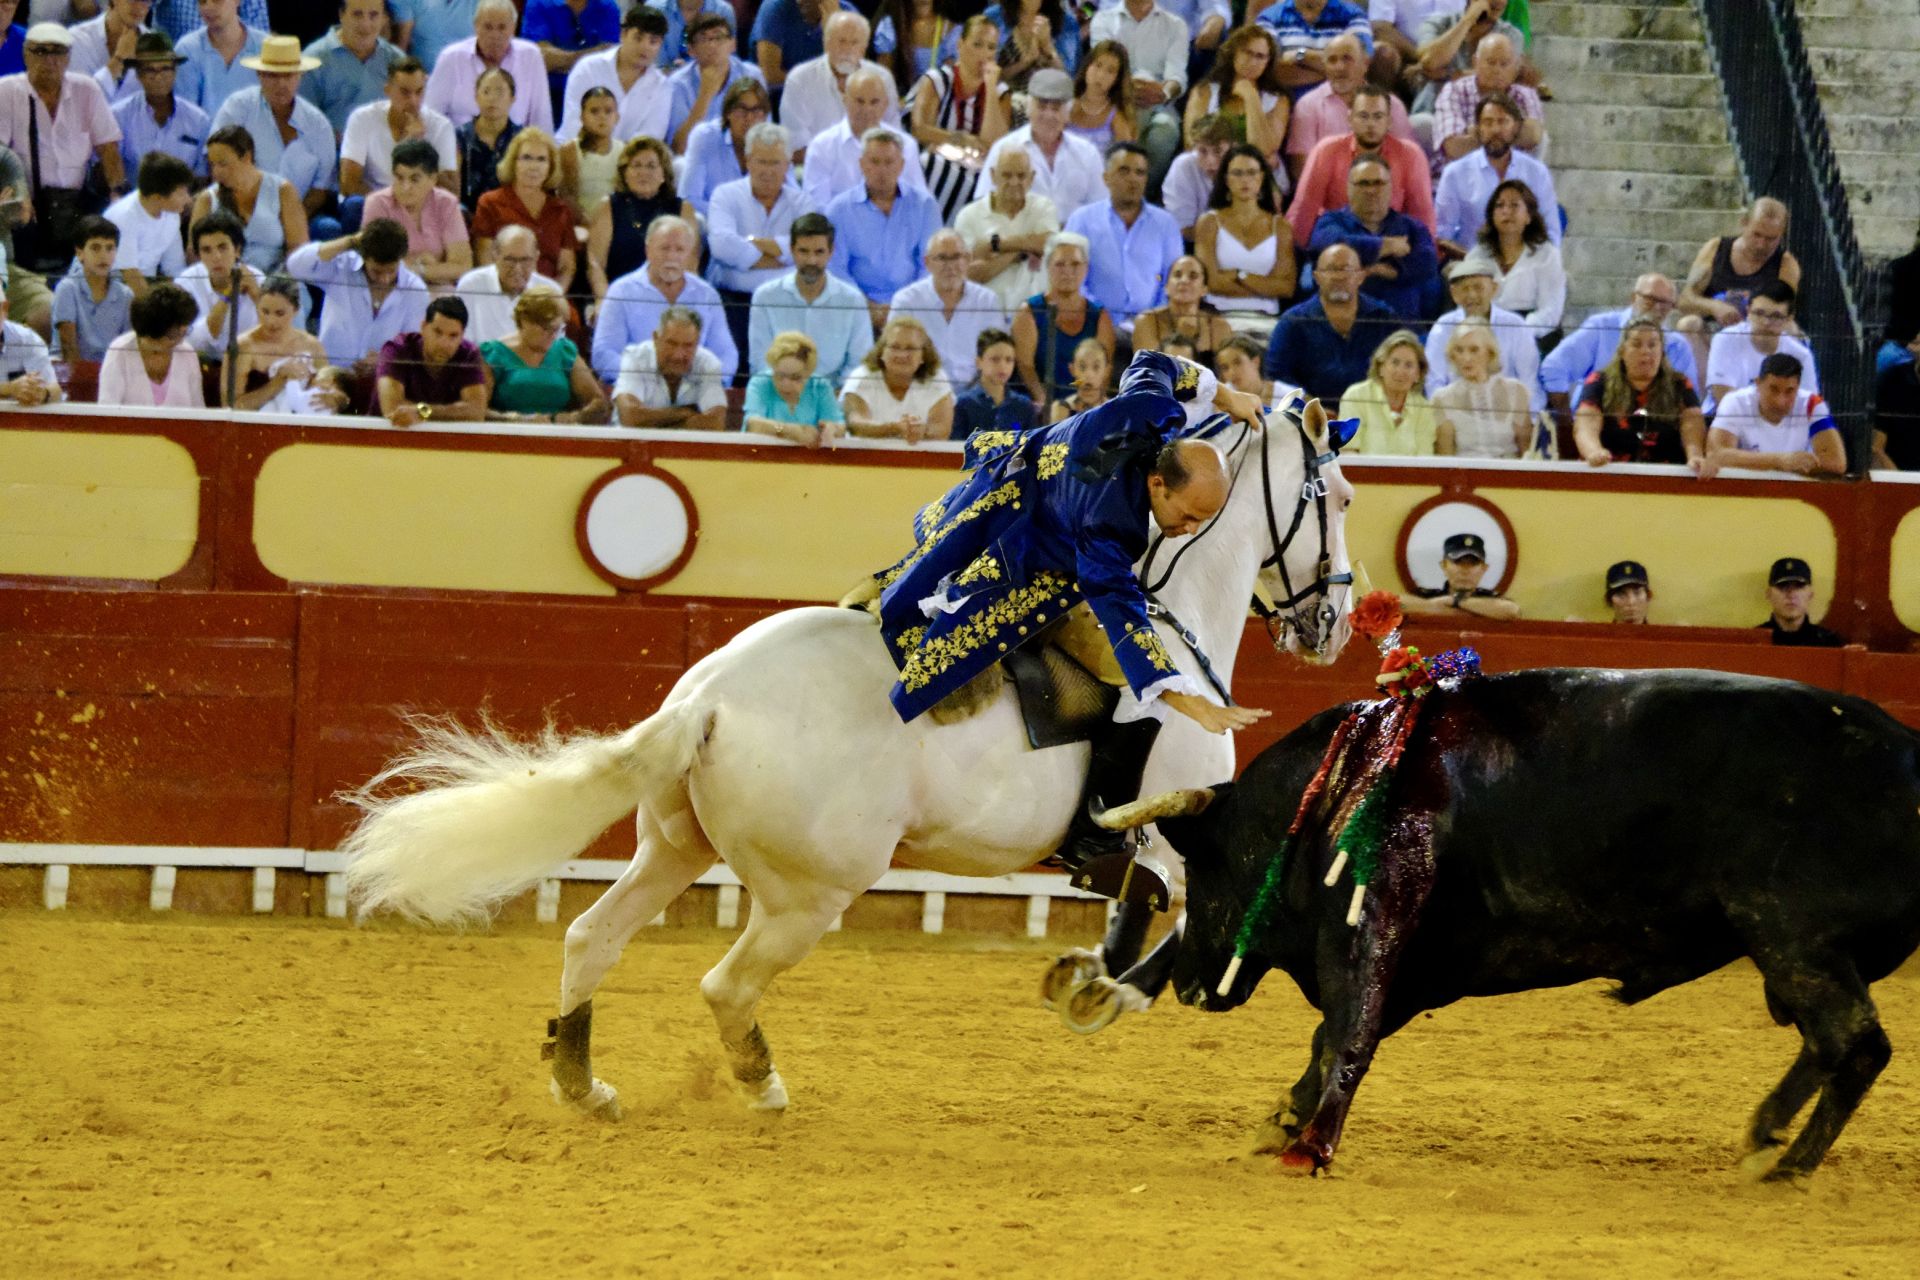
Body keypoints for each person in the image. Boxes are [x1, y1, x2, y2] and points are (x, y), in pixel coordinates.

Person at [863, 348, 1270, 904]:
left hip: (997, 487)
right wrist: (1178, 693)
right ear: (1157, 484)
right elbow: (1116, 600)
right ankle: (1089, 835)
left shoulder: (1153, 410)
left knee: (913, 583)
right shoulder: (1113, 525)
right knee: (967, 648)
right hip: (1026, 550)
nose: (1188, 529)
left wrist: (1228, 396)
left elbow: (1155, 359)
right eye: (1187, 515)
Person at [0, 24, 125, 276]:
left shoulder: (86, 89)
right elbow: (0, 156)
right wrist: (15, 194)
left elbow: (108, 148)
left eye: (58, 52)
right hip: (28, 205)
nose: (50, 60)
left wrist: (117, 195)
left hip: (75, 202)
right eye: (41, 52)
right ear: (26, 54)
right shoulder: (6, 91)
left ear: (68, 57)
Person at [1285, 83, 1434, 248]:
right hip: (1339, 245)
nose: (1371, 124)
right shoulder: (1327, 150)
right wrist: (1291, 257)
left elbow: (1423, 216)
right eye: (1363, 116)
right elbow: (1304, 209)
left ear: (1389, 122)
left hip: (1393, 245)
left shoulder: (1410, 154)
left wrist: (1426, 256)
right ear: (1350, 119)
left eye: (1378, 117)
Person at [1540, 273, 1697, 428]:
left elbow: (1689, 401)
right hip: (1598, 425)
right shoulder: (1601, 327)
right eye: (1650, 299)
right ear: (1634, 297)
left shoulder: (1679, 346)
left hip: (1658, 431)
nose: (1657, 308)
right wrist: (1567, 423)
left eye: (1665, 303)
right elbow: (1554, 368)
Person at [592, 213, 736, 383]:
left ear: (690, 254)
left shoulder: (706, 294)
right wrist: (652, 380)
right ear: (648, 250)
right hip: (638, 391)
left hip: (693, 391)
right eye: (665, 248)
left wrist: (705, 382)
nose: (672, 256)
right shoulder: (622, 291)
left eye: (680, 250)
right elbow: (604, 353)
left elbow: (727, 354)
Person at [210, 36, 337, 226]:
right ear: (260, 75)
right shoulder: (238, 107)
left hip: (300, 215)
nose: (281, 84)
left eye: (288, 76)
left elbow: (320, 189)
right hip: (240, 213)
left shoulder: (317, 124)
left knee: (327, 228)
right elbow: (218, 164)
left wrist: (289, 221)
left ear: (299, 76)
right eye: (273, 76)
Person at [705, 120, 808, 355]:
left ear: (788, 165)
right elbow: (722, 248)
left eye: (775, 163)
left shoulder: (802, 202)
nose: (768, 170)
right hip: (733, 303)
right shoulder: (725, 195)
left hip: (786, 305)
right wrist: (784, 253)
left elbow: (808, 250)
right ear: (748, 161)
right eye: (761, 161)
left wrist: (750, 244)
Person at [823, 127, 942, 325]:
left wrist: (904, 306)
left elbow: (931, 264)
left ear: (901, 166)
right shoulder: (839, 209)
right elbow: (835, 267)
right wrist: (866, 307)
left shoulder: (925, 205)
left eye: (889, 162)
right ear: (862, 165)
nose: (882, 170)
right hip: (854, 311)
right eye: (874, 162)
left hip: (914, 309)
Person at [285, 218, 430, 373]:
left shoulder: (416, 290)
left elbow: (412, 345)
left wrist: (385, 359)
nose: (384, 279)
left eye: (391, 271)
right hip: (329, 374)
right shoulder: (340, 267)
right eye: (377, 271)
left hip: (382, 380)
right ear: (364, 257)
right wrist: (351, 241)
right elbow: (295, 266)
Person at [1261, 242, 1395, 410]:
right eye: (1331, 269)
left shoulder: (1383, 317)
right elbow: (1276, 378)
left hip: (1373, 415)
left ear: (1361, 276)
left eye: (1346, 269)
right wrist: (1312, 408)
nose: (1339, 277)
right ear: (1317, 277)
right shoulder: (1293, 321)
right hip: (1308, 420)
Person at [1066, 142, 1182, 334]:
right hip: (1092, 324)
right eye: (1124, 171)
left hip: (1154, 327)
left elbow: (1172, 278)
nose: (1133, 179)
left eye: (1140, 172)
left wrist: (1154, 319)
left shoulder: (1165, 224)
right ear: (1106, 178)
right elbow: (1072, 277)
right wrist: (1098, 316)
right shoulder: (1082, 220)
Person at [747, 210, 872, 386]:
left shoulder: (852, 300)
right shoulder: (765, 296)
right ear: (792, 250)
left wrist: (829, 398)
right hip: (779, 393)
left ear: (831, 252)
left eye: (819, 252)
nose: (811, 261)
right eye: (803, 251)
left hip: (834, 396)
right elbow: (760, 363)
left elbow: (859, 365)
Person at [1306, 152, 1437, 320]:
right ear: (1348, 187)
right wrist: (1384, 246)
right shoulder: (1331, 221)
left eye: (1378, 183)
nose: (1371, 190)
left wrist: (1381, 270)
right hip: (1345, 325)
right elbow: (1329, 244)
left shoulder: (1411, 227)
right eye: (1363, 183)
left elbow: (1427, 262)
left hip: (1401, 328)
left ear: (1391, 187)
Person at [904, 13, 1007, 223]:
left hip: (977, 168)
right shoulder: (937, 79)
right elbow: (920, 129)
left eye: (991, 47)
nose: (984, 54)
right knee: (931, 165)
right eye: (977, 44)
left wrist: (989, 87)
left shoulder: (1000, 92)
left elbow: (994, 145)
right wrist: (960, 139)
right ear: (960, 45)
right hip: (937, 159)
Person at [1676, 197, 1800, 367]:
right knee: (1688, 324)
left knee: (1791, 331)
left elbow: (1785, 312)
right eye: (1756, 234)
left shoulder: (1786, 265)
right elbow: (1685, 300)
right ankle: (1704, 389)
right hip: (1712, 329)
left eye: (1771, 239)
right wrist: (1714, 306)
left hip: (1759, 331)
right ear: (1744, 223)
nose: (1761, 244)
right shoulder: (1716, 249)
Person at [1572, 318, 1706, 469]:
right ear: (1622, 351)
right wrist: (1593, 452)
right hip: (1610, 470)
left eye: (1652, 345)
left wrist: (1695, 455)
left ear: (1662, 352)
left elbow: (1692, 423)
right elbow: (1586, 424)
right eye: (1636, 344)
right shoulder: (1599, 381)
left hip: (1666, 474)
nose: (1645, 351)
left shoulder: (1679, 383)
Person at [586, 135, 694, 321]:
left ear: (663, 174)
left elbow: (690, 264)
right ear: (624, 172)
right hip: (619, 299)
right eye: (636, 165)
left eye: (651, 166)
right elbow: (595, 263)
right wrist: (604, 301)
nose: (643, 172)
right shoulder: (608, 207)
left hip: (668, 300)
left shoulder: (682, 209)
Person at [1433, 96, 1557, 257]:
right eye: (1488, 122)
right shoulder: (1455, 173)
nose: (1496, 130)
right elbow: (1442, 235)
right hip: (1470, 264)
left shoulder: (1536, 172)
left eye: (1503, 122)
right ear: (1478, 129)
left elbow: (1551, 232)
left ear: (1516, 127)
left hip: (1525, 266)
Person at [976, 69, 1103, 223]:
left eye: (1056, 108)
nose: (1048, 115)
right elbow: (983, 208)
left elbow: (1100, 210)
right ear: (1028, 108)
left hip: (1073, 242)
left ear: (1068, 111)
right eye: (1041, 107)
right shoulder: (1004, 149)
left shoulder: (1088, 154)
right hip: (1017, 241)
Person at [1283, 31, 1413, 183]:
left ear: (1365, 64)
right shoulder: (1308, 105)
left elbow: (1405, 162)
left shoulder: (1392, 105)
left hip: (1383, 195)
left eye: (1347, 59)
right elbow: (1302, 170)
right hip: (1327, 200)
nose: (1339, 67)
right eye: (1332, 60)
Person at [887, 228, 1006, 389]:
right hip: (920, 391)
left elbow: (998, 355)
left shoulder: (987, 300)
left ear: (968, 259)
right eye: (942, 258)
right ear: (927, 262)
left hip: (975, 394)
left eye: (956, 257)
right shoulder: (906, 301)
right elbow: (896, 357)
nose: (950, 266)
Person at [1700, 352, 1845, 481]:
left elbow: (1836, 462)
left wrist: (1791, 464)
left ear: (1798, 388)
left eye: (1789, 391)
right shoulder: (1735, 402)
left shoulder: (1811, 404)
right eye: (1773, 389)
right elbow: (1716, 455)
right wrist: (1781, 461)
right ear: (1758, 384)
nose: (1780, 401)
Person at [1086, 0, 1186, 184]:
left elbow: (1177, 76)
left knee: (1164, 132)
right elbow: (1103, 68)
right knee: (1137, 109)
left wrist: (1164, 92)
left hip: (1159, 102)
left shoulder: (1175, 25)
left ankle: (1138, 191)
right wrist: (1129, 87)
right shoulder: (1104, 20)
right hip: (1114, 98)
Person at [1194, 142, 1296, 322]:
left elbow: (1285, 287)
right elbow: (1210, 282)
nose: (1245, 180)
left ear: (1262, 177)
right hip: (1217, 317)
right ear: (1226, 179)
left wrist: (1239, 275)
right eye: (1237, 173)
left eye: (1251, 173)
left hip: (1267, 318)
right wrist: (1264, 284)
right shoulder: (1209, 223)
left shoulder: (1281, 227)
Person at [190, 124, 310, 276]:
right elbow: (194, 254)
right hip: (224, 283)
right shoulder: (207, 199)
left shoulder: (282, 190)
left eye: (223, 164)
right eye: (212, 165)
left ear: (246, 157)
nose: (216, 172)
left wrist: (273, 286)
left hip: (277, 282)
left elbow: (298, 249)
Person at [954, 145, 1059, 316]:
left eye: (1021, 176)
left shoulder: (1043, 207)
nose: (1014, 182)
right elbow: (969, 274)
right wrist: (1021, 252)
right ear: (993, 176)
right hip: (984, 314)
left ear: (1032, 178)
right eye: (1007, 175)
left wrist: (995, 244)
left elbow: (1049, 244)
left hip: (1035, 316)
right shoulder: (968, 216)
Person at [801, 68, 927, 210]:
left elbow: (918, 202)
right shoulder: (822, 146)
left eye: (874, 102)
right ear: (845, 100)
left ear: (885, 104)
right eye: (859, 101)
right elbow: (816, 208)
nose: (867, 109)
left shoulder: (905, 145)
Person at [340, 58, 458, 208]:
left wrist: (421, 149)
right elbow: (348, 184)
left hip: (422, 204)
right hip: (375, 202)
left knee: (457, 209)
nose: (413, 101)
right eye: (405, 92)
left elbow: (452, 192)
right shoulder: (362, 119)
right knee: (353, 205)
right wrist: (392, 206)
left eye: (419, 92)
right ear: (387, 90)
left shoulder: (441, 126)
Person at [1423, 253, 1538, 407]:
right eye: (1464, 289)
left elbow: (1529, 381)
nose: (1471, 295)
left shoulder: (1515, 325)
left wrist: (1526, 422)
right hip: (1457, 413)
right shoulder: (1443, 327)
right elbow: (1434, 382)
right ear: (1454, 294)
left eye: (1478, 287)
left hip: (1507, 414)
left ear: (1494, 288)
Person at [482, 283, 608, 424]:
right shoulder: (493, 353)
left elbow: (598, 403)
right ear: (524, 320)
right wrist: (515, 419)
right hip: (505, 437)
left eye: (557, 329)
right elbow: (477, 409)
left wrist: (574, 418)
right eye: (546, 329)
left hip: (558, 436)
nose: (552, 336)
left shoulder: (564, 351)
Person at [1012, 230, 1113, 403]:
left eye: (1075, 264)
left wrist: (1088, 404)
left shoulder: (1099, 316)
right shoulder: (1029, 312)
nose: (1068, 271)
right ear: (1047, 266)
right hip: (1041, 408)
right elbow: (1026, 368)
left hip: (1085, 406)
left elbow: (1104, 370)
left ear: (1086, 268)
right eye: (1059, 264)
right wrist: (1046, 406)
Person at [425, 0, 554, 134]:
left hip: (516, 150)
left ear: (513, 28)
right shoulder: (451, 58)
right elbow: (431, 116)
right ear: (476, 27)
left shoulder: (531, 56)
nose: (495, 35)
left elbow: (542, 121)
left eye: (502, 27)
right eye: (488, 27)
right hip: (459, 150)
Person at [782, 9, 900, 155]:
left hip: (873, 166)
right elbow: (796, 145)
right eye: (841, 41)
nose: (847, 49)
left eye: (854, 43)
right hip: (817, 166)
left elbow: (893, 134)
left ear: (864, 48)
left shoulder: (882, 79)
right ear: (826, 43)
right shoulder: (800, 79)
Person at [471, 127, 578, 284]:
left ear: (551, 166)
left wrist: (552, 295)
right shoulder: (490, 203)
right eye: (526, 158)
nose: (533, 166)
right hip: (503, 293)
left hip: (549, 297)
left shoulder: (560, 209)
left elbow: (567, 267)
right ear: (513, 162)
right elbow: (485, 260)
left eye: (541, 159)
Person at [363, 138, 472, 293]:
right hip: (391, 289)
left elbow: (463, 266)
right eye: (399, 178)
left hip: (437, 289)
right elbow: (377, 265)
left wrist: (419, 269)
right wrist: (430, 267)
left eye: (414, 179)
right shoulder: (377, 203)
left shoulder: (447, 203)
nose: (405, 187)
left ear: (433, 179)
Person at [222, 274, 342, 412]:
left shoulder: (313, 347)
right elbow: (230, 406)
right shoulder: (243, 346)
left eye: (280, 313)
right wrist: (277, 382)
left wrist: (332, 400)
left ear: (296, 311)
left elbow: (326, 394)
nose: (271, 321)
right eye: (265, 312)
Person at [557, 7, 669, 147]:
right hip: (577, 153)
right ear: (623, 34)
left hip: (628, 163)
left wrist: (616, 160)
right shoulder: (588, 68)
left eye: (653, 42)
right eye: (638, 38)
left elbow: (651, 138)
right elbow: (573, 126)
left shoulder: (661, 85)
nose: (645, 47)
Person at [1427, 32, 1543, 168]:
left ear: (1516, 67)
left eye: (1504, 64)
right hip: (1461, 176)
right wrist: (1508, 133)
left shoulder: (1525, 94)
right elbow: (1454, 147)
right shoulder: (1454, 91)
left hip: (1510, 179)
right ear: (1475, 62)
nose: (1497, 70)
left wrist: (1477, 133)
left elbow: (1533, 135)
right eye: (1491, 62)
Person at [1181, 23, 1286, 171]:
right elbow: (1192, 142)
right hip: (1209, 166)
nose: (1253, 61)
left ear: (1268, 62)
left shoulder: (1278, 99)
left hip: (1255, 172)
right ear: (1234, 53)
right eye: (1247, 53)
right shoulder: (1205, 91)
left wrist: (1251, 97)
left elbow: (1264, 150)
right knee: (1185, 161)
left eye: (1260, 56)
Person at [1703, 281, 1818, 414]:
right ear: (1748, 311)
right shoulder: (1726, 339)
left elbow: (1809, 406)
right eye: (1759, 313)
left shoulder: (1800, 355)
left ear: (1789, 319)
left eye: (1776, 316)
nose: (1765, 323)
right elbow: (1723, 398)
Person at [376, 294, 489, 425]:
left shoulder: (468, 354)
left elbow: (476, 412)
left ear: (462, 335)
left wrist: (423, 412)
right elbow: (392, 408)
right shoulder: (396, 349)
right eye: (437, 332)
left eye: (453, 336)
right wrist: (452, 412)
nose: (444, 343)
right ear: (423, 327)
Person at [840, 312, 953, 442]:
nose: (902, 354)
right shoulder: (862, 376)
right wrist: (896, 428)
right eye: (895, 347)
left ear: (923, 356)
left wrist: (923, 431)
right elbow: (855, 425)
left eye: (910, 348)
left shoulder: (936, 378)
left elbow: (942, 429)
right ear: (882, 351)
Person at [612, 303, 727, 430]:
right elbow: (630, 417)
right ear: (656, 338)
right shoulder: (635, 357)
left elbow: (715, 423)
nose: (678, 355)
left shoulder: (708, 364)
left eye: (688, 345)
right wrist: (685, 412)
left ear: (697, 342)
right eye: (671, 344)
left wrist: (653, 422)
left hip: (685, 449)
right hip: (630, 447)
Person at [111, 31, 208, 181]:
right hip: (133, 200)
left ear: (175, 71)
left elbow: (201, 176)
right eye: (150, 70)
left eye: (165, 69)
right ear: (138, 74)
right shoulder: (119, 115)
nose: (158, 77)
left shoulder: (198, 120)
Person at [1476, 176, 1562, 345]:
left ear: (1528, 217)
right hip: (1486, 333)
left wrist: (1519, 331)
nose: (1506, 211)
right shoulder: (1478, 254)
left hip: (1532, 334)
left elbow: (1551, 311)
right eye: (1500, 206)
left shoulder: (1546, 254)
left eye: (1514, 205)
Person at [300, 0, 406, 137]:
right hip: (332, 153)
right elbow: (301, 122)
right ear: (341, 15)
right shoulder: (314, 60)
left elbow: (410, 113)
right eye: (357, 14)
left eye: (373, 15)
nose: (365, 24)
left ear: (384, 19)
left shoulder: (396, 59)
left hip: (387, 153)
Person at [667, 10, 764, 154]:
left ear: (733, 44)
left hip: (742, 153)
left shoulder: (751, 75)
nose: (712, 45)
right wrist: (705, 96)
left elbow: (763, 131)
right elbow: (679, 148)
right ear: (691, 50)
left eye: (718, 37)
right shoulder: (678, 83)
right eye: (704, 39)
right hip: (698, 155)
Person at [97, 280, 202, 407]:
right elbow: (107, 411)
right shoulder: (120, 351)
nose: (180, 340)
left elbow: (198, 410)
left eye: (185, 331)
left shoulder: (186, 353)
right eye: (175, 334)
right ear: (154, 332)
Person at [1432, 320, 1530, 457]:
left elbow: (1528, 453)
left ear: (1489, 353)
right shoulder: (1442, 398)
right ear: (1452, 355)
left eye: (1474, 350)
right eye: (1459, 350)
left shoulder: (1517, 391)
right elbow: (1445, 459)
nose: (1466, 358)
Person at [453, 223, 561, 344]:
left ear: (536, 257)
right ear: (495, 255)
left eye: (525, 260)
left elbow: (554, 349)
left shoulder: (551, 291)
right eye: (510, 260)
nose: (517, 269)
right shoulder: (470, 285)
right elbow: (464, 344)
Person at [102, 152, 193, 295]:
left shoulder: (172, 216)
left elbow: (174, 269)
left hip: (145, 285)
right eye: (181, 194)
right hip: (112, 287)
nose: (188, 199)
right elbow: (130, 276)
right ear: (157, 198)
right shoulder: (124, 217)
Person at [176, 208, 261, 359]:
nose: (216, 257)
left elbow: (279, 334)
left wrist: (257, 295)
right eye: (207, 250)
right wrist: (227, 295)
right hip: (200, 363)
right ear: (199, 255)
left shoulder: (258, 280)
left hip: (247, 364)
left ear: (237, 250)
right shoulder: (185, 283)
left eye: (223, 247)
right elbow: (190, 343)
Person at [682, 76, 775, 212]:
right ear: (727, 113)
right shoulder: (705, 137)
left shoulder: (774, 142)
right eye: (742, 110)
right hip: (712, 222)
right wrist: (728, 219)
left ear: (765, 117)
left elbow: (791, 195)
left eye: (756, 111)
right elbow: (689, 199)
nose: (749, 118)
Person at [1338, 327, 1435, 455]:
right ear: (1380, 367)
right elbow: (1348, 452)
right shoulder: (1356, 396)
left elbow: (1424, 461)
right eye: (1395, 362)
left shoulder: (1424, 409)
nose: (1401, 371)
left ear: (1418, 374)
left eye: (1409, 365)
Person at [742, 327, 843, 445]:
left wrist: (832, 429)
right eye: (779, 376)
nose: (786, 384)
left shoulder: (820, 386)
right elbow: (752, 424)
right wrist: (790, 431)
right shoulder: (760, 383)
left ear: (808, 373)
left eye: (795, 378)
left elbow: (839, 426)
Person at [52, 215, 133, 360]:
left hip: (109, 367)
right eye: (95, 248)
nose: (103, 255)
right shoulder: (67, 288)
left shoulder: (125, 294)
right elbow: (68, 346)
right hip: (70, 368)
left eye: (110, 248)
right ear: (80, 253)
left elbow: (127, 346)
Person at [172, 0, 267, 121]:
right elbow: (186, 117)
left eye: (217, 1)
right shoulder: (187, 49)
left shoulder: (265, 47)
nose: (208, 7)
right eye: (202, 2)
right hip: (205, 137)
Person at [1255, 0, 1373, 97]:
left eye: (1342, 58)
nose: (1337, 64)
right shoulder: (1268, 18)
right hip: (1285, 104)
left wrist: (1301, 55)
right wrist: (1338, 73)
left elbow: (1360, 63)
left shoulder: (1353, 15)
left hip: (1342, 103)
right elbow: (1270, 70)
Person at [521, 0, 619, 112]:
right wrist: (592, 58)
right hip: (548, 95)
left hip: (594, 95)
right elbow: (540, 59)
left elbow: (609, 60)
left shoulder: (608, 6)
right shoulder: (538, 3)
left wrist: (560, 60)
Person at [1132, 253, 1231, 363]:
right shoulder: (1147, 320)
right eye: (1177, 275)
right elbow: (1147, 370)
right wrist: (1181, 336)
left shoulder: (1219, 326)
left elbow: (1225, 373)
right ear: (1166, 287)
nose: (1184, 280)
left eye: (1193, 276)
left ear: (1204, 289)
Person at [1400, 531, 1520, 621]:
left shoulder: (1491, 598)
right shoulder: (1428, 595)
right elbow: (1398, 604)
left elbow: (1511, 610)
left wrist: (1455, 601)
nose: (1465, 571)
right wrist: (1437, 607)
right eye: (1458, 562)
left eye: (1473, 563)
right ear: (1444, 566)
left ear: (1484, 569)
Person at [752, 0, 862, 90]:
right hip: (778, 99)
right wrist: (818, 83)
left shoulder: (849, 15)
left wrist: (833, 35)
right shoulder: (774, 8)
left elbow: (850, 76)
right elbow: (769, 76)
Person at [952, 325, 1035, 437]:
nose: (1003, 366)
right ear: (979, 362)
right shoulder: (964, 404)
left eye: (1009, 360)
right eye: (995, 359)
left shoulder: (1024, 406)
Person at [455, 65, 519, 212]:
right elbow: (453, 185)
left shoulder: (522, 139)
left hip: (510, 214)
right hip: (468, 214)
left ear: (512, 98)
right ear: (476, 97)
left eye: (499, 92)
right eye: (486, 91)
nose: (492, 98)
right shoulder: (459, 136)